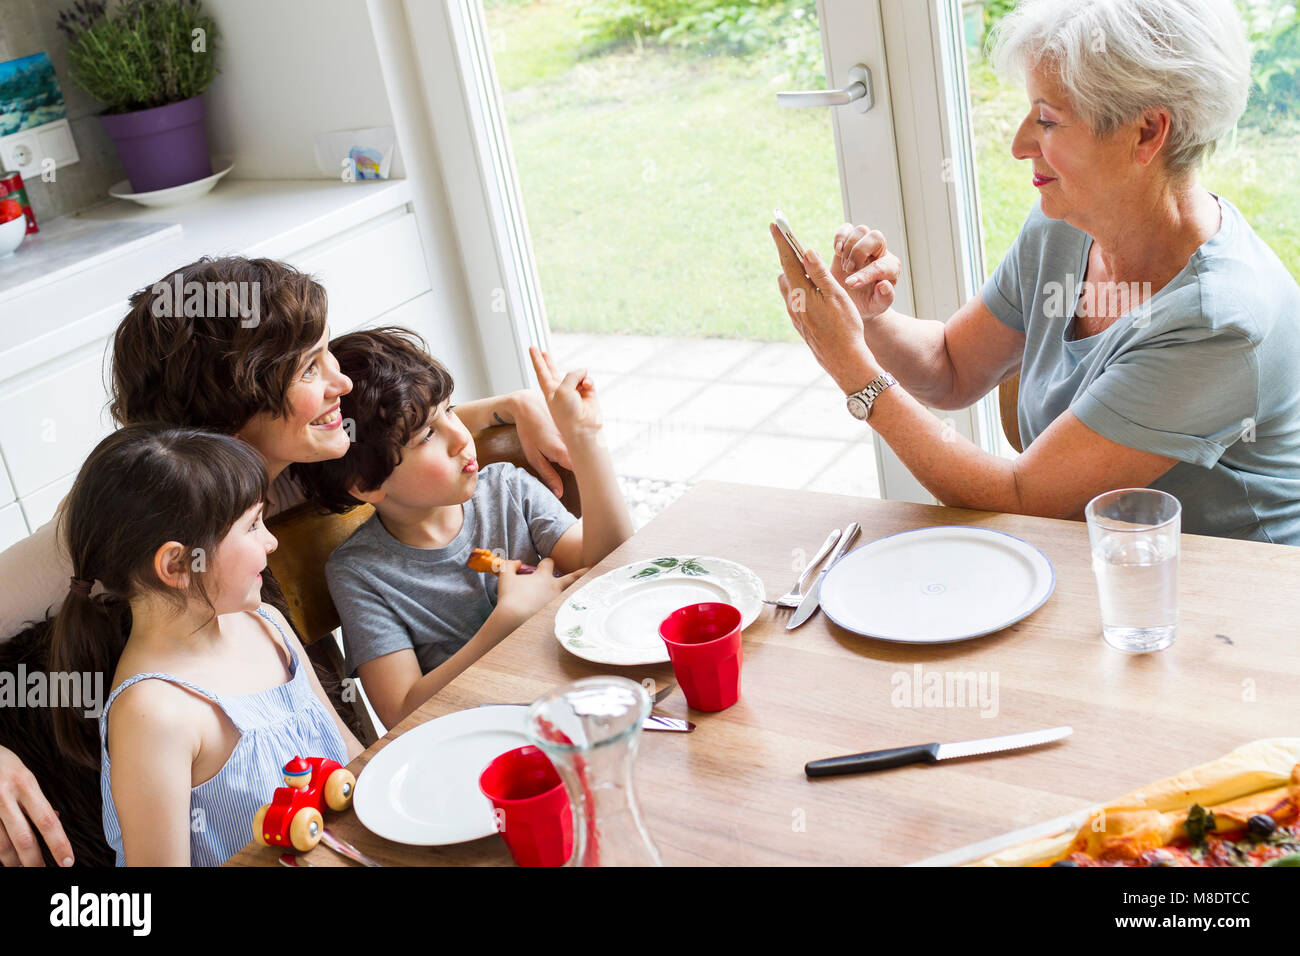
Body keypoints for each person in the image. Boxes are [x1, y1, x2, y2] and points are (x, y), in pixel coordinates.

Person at [0, 255, 575, 866]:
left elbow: (396, 433)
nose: (342, 383)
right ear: (229, 409)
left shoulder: (281, 466)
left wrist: (506, 409)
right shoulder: (107, 525)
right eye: (308, 366)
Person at [773, 0, 1300, 544]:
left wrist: (854, 371)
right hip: (1102, 568)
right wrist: (863, 322)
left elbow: (1022, 498)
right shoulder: (1069, 222)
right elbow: (952, 366)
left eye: (1047, 120)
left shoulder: (1218, 322)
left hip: (1233, 598)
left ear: (1146, 132)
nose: (1019, 144)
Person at [49, 425, 363, 866]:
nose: (271, 540)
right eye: (252, 525)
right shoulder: (154, 713)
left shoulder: (266, 625)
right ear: (177, 564)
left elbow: (352, 763)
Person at [296, 328, 633, 729]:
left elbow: (611, 560)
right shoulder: (360, 572)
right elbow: (401, 712)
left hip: (573, 701)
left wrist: (585, 438)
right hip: (475, 739)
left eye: (451, 411)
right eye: (427, 436)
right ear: (369, 485)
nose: (461, 438)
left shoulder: (507, 489)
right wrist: (506, 621)